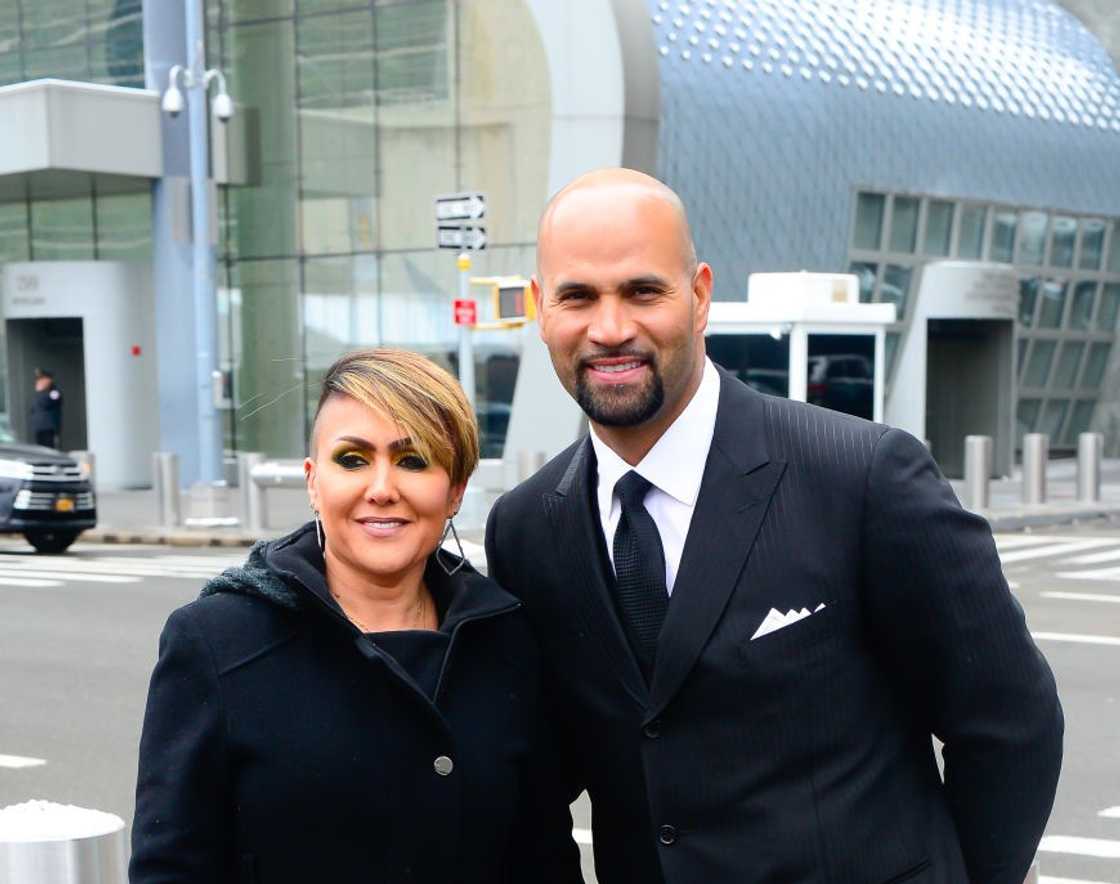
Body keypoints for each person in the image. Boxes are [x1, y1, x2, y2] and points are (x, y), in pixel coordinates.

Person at [485, 169, 1064, 884]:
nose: (610, 328)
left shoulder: (865, 478)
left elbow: (1012, 724)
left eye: (642, 291)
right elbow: (540, 774)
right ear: (541, 309)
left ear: (699, 296)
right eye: (578, 296)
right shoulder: (524, 531)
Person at [130, 348, 581, 884]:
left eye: (413, 461)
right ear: (313, 481)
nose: (382, 489)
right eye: (352, 459)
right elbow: (171, 869)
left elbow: (544, 858)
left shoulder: (507, 639)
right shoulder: (215, 640)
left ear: (456, 489)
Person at [29, 368, 62, 449]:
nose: (38, 382)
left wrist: (41, 392)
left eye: (41, 379)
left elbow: (46, 403)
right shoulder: (39, 394)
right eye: (38, 380)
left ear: (48, 380)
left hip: (49, 430)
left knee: (49, 451)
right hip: (39, 429)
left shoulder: (54, 393)